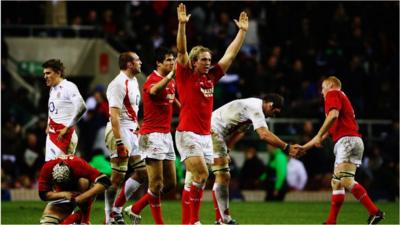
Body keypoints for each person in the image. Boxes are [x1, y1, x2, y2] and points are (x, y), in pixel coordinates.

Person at [175, 3, 248, 224]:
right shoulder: (186, 75)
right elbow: (181, 51)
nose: (208, 63)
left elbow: (230, 56)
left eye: (209, 60)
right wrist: (182, 25)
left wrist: (242, 32)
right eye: (203, 60)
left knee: (193, 181)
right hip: (187, 133)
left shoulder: (211, 77)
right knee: (202, 175)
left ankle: (187, 222)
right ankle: (195, 222)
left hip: (205, 135)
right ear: (194, 61)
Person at [298, 76, 385, 224]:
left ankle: (375, 212)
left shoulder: (334, 94)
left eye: (323, 88)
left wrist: (319, 135)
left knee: (345, 179)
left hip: (347, 141)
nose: (322, 92)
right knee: (336, 183)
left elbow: (332, 116)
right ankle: (331, 221)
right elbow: (324, 133)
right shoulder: (340, 103)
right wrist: (304, 147)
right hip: (349, 141)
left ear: (331, 85)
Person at [205, 95, 300, 223]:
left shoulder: (250, 110)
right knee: (221, 175)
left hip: (215, 132)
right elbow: (263, 134)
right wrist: (286, 147)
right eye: (274, 112)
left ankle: (222, 219)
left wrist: (227, 150)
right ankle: (222, 219)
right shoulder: (255, 108)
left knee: (222, 175)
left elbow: (239, 132)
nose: (273, 116)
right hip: (213, 130)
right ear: (270, 104)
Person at [124, 47, 180, 224]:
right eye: (168, 60)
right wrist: (171, 75)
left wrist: (187, 110)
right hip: (151, 135)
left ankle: (135, 208)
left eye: (173, 60)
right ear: (159, 63)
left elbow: (174, 101)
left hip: (166, 135)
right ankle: (158, 222)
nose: (172, 63)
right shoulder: (152, 79)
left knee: (171, 184)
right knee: (155, 185)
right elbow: (154, 91)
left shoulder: (171, 82)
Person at [104, 51, 147, 224]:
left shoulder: (134, 81)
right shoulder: (118, 84)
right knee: (117, 178)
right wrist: (120, 141)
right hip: (119, 132)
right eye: (137, 60)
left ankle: (117, 209)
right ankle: (109, 218)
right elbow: (114, 116)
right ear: (129, 64)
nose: (140, 62)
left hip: (132, 132)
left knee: (143, 173)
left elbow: (132, 111)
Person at [38, 154, 110, 225]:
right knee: (47, 223)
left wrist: (80, 197)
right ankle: (77, 217)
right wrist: (63, 194)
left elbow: (104, 181)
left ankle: (84, 220)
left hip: (79, 191)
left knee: (84, 181)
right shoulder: (47, 168)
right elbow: (43, 195)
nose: (64, 185)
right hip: (60, 194)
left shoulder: (78, 164)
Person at [42, 59, 87, 161]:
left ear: (58, 72)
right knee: (52, 170)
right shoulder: (52, 89)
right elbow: (52, 109)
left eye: (48, 73)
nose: (45, 76)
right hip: (52, 134)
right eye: (44, 74)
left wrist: (67, 127)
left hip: (64, 135)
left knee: (60, 171)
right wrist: (48, 123)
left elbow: (82, 107)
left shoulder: (69, 87)